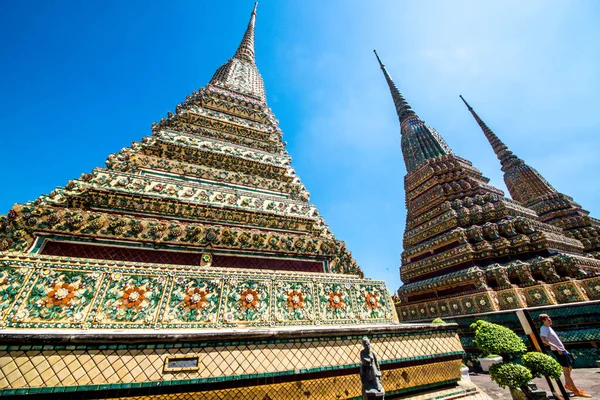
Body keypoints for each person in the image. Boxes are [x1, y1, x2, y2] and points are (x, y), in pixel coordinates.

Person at [539, 314, 590, 398]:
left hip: (562, 350)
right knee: (566, 371)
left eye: (549, 318)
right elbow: (543, 340)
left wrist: (564, 349)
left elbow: (556, 340)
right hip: (558, 351)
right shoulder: (544, 328)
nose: (550, 320)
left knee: (569, 367)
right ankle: (576, 391)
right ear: (543, 320)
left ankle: (568, 384)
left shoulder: (548, 328)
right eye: (548, 319)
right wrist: (556, 348)